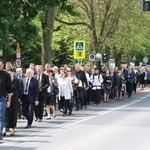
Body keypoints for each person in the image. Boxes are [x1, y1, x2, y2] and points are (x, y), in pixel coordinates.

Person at [3, 69, 21, 135]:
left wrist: (12, 93)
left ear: (13, 74)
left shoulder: (16, 81)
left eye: (10, 74)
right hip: (6, 99)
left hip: (14, 100)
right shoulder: (5, 81)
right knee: (5, 115)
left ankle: (13, 129)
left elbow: (19, 90)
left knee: (13, 115)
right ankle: (4, 129)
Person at [0, 59, 12, 140]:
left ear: (3, 65)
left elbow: (9, 90)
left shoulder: (6, 75)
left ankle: (0, 133)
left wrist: (9, 100)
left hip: (2, 98)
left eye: (0, 65)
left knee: (1, 116)